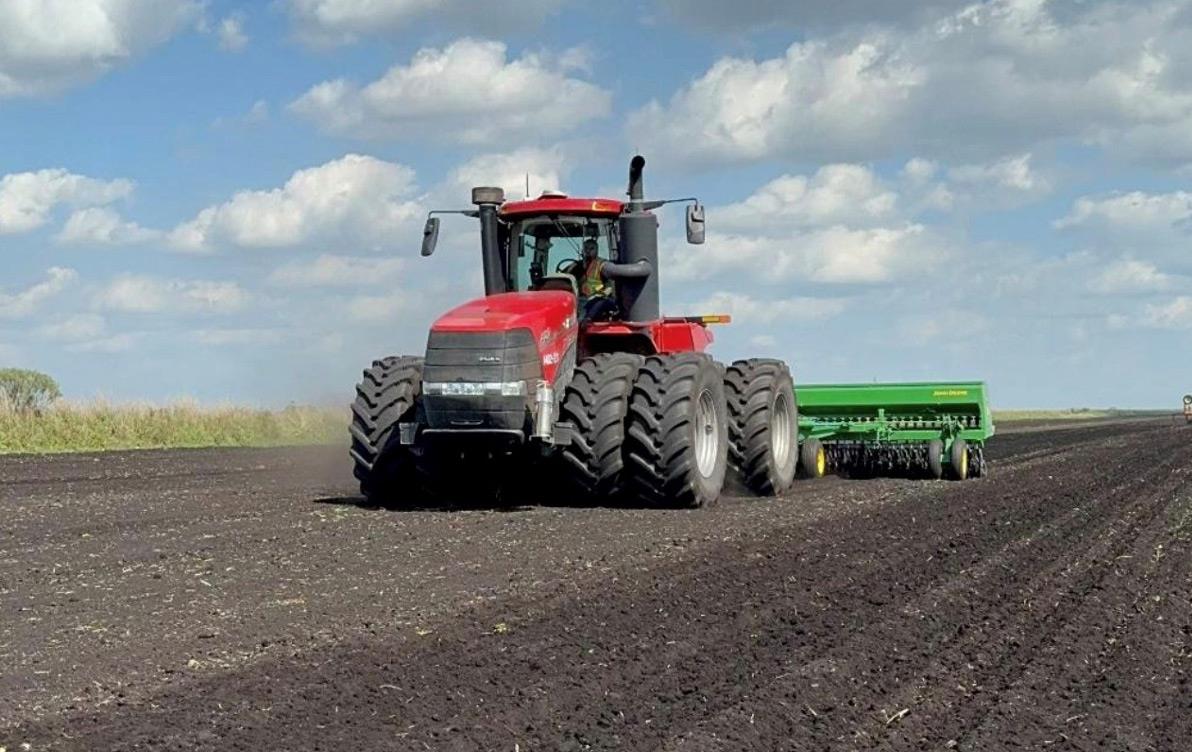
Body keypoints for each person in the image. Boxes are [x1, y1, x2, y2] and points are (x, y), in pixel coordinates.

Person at [578, 238, 618, 321]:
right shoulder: (578, 266)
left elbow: (609, 288)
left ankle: (587, 319)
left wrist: (597, 295)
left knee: (599, 302)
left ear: (597, 250)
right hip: (583, 299)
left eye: (591, 249)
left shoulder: (602, 265)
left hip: (600, 299)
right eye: (586, 248)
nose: (588, 251)